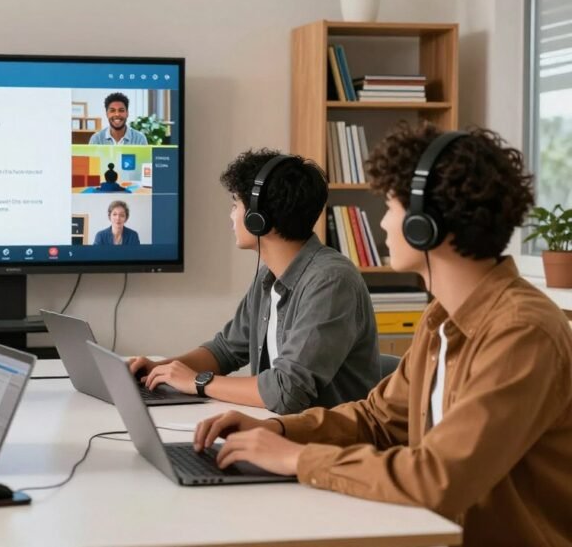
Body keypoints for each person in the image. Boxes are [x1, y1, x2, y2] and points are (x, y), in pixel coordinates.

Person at [194, 124, 572, 545]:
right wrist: (281, 432)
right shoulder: (440, 321)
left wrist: (298, 459)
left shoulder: (522, 332)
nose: (383, 222)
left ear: (424, 224)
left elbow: (439, 477)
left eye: (390, 206)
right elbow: (377, 420)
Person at [128, 149, 379, 413]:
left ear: (258, 219)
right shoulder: (269, 277)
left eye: (235, 205)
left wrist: (198, 382)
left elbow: (287, 391)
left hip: (327, 446)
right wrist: (160, 370)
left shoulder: (330, 282)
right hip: (279, 431)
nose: (231, 216)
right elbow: (225, 351)